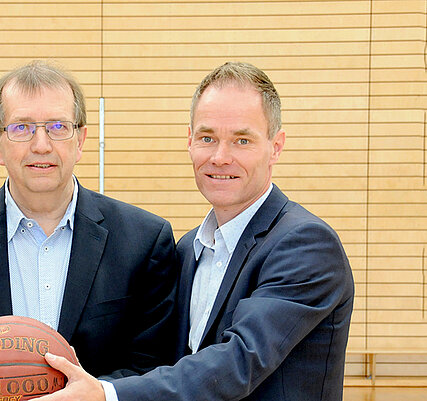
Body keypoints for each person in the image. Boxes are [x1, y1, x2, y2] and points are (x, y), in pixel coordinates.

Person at [37, 61, 355, 401]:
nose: (220, 157)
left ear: (275, 146)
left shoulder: (305, 245)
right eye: (207, 138)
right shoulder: (187, 249)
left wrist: (106, 394)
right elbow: (165, 361)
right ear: (190, 141)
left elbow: (237, 364)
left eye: (242, 140)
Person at [0, 60, 178, 377]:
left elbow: (153, 368)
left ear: (81, 141)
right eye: (21, 128)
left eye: (59, 127)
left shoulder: (144, 241)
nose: (41, 145)